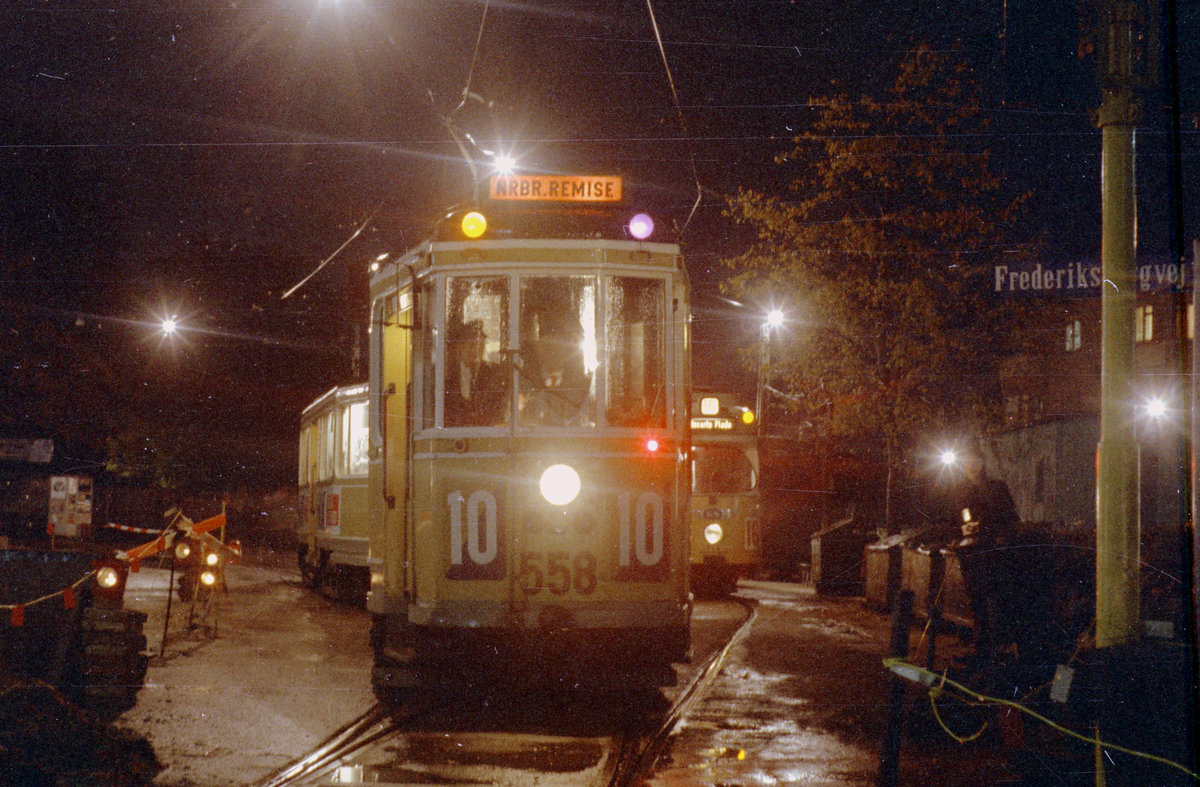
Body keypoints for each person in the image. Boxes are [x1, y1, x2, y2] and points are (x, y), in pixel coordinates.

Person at [953, 447, 1020, 665]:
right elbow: (957, 520)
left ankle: (996, 651)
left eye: (972, 461)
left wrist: (993, 532)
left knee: (993, 601)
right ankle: (981, 650)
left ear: (981, 463)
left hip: (991, 555)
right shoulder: (963, 491)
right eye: (965, 462)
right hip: (971, 554)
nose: (968, 466)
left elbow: (1010, 520)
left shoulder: (995, 488)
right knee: (977, 602)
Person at [444, 319, 508, 426]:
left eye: (480, 346)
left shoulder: (494, 373)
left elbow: (499, 408)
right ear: (459, 347)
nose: (476, 351)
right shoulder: (447, 375)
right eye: (471, 346)